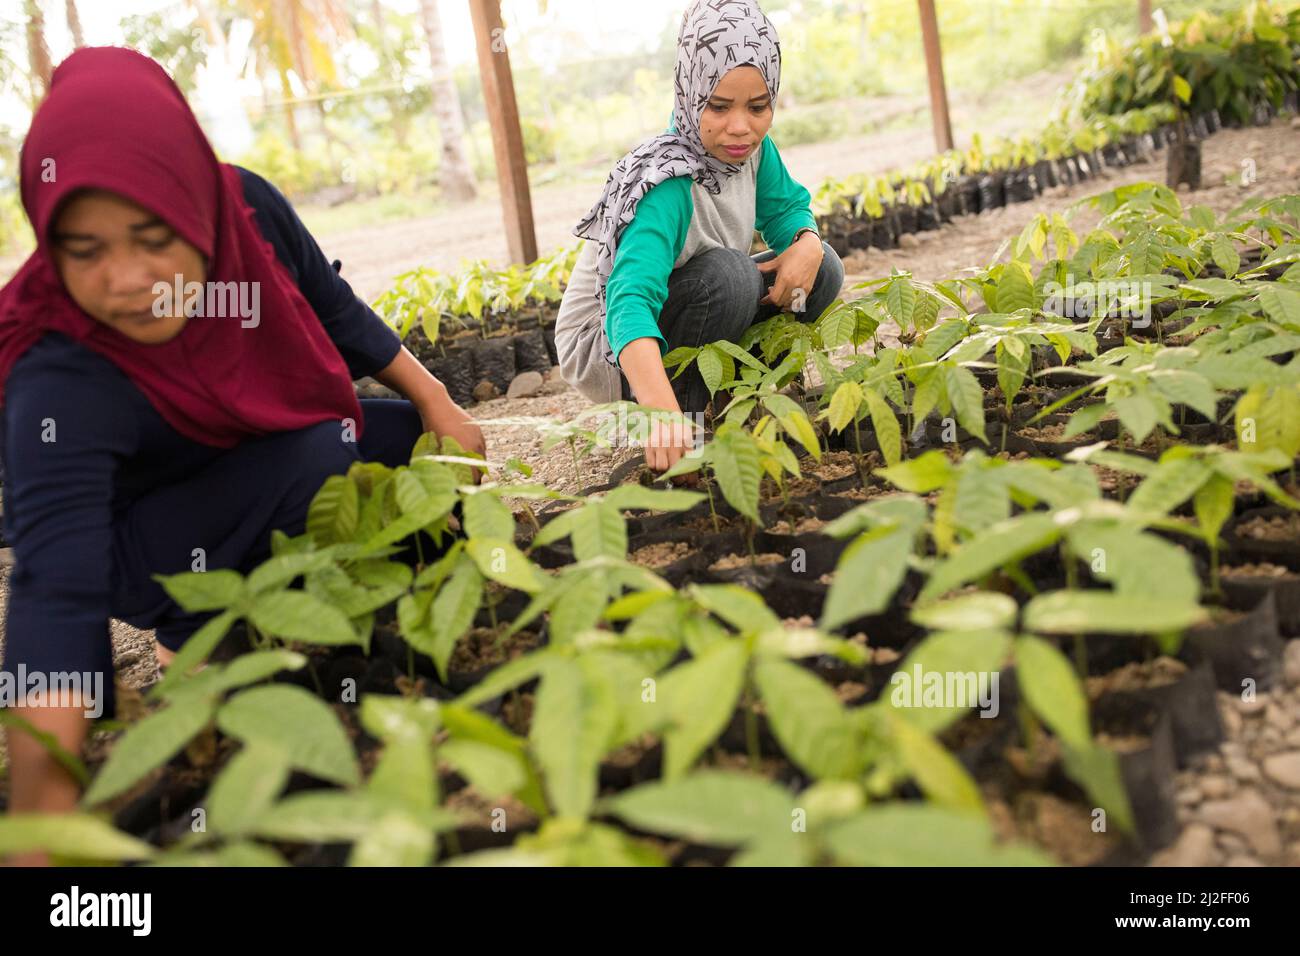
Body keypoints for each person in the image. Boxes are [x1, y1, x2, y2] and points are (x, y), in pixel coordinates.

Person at [0, 47, 484, 833]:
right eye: (84, 250)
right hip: (138, 543)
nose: (126, 278)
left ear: (193, 199)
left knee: (408, 454)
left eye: (153, 236)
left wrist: (438, 403)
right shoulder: (60, 363)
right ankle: (194, 632)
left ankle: (311, 600)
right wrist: (41, 819)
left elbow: (335, 310)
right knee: (327, 452)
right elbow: (57, 584)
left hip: (245, 455)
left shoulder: (246, 210)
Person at [555, 0, 844, 474]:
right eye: (719, 105)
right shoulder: (665, 182)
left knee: (823, 264)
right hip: (609, 343)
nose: (739, 126)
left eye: (758, 107)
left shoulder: (752, 151)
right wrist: (660, 414)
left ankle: (742, 398)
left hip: (689, 302)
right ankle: (687, 421)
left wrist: (807, 240)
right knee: (731, 277)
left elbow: (788, 210)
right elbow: (628, 302)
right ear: (690, 94)